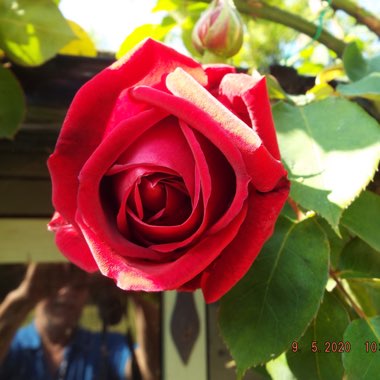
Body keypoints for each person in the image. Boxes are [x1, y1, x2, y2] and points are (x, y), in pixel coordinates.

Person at [0, 263, 160, 380]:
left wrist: (139, 290)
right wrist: (22, 297)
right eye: (54, 286)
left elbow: (151, 371)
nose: (66, 293)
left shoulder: (105, 347)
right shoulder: (14, 346)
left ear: (87, 295)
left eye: (78, 287)